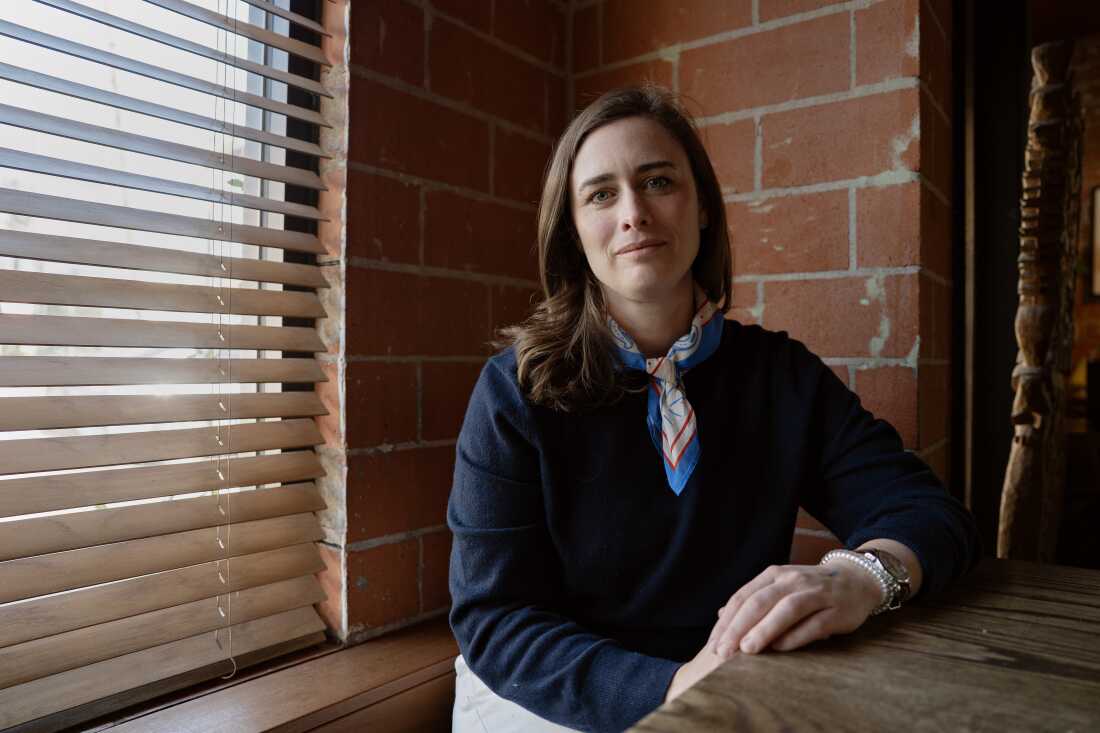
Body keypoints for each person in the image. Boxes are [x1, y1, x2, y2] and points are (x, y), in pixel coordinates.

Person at [447, 85, 981, 733]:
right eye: (601, 193)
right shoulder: (513, 394)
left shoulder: (782, 377)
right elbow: (496, 619)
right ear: (573, 231)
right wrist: (673, 685)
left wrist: (864, 576)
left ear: (701, 207)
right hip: (558, 695)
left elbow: (928, 511)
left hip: (738, 685)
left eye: (658, 180)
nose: (634, 212)